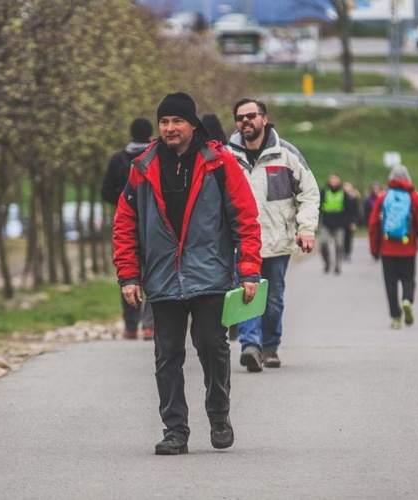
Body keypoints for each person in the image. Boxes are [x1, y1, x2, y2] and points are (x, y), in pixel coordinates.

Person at [113, 92, 262, 455]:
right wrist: (129, 275)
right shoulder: (142, 167)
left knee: (213, 347)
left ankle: (219, 414)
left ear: (192, 125)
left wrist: (249, 270)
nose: (169, 128)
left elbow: (245, 217)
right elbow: (125, 223)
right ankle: (175, 430)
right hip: (162, 278)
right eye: (164, 122)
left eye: (176, 121)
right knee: (167, 356)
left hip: (210, 275)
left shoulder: (220, 162)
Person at [228, 98, 320, 372]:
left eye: (251, 115)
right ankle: (251, 347)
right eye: (240, 117)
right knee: (247, 294)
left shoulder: (286, 154)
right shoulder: (227, 156)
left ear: (264, 119)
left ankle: (270, 347)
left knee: (274, 297)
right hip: (241, 243)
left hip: (277, 241)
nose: (246, 121)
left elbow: (309, 192)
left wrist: (305, 229)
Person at [101, 118, 155, 341]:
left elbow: (105, 192)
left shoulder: (118, 160)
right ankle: (150, 326)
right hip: (154, 225)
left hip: (127, 225)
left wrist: (124, 200)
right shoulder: (158, 157)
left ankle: (131, 326)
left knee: (129, 274)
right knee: (154, 274)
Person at [368, 165, 418, 329]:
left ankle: (396, 318)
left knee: (390, 283)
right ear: (408, 178)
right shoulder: (415, 198)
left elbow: (374, 224)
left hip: (387, 249)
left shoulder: (383, 197)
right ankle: (407, 300)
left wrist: (374, 249)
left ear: (391, 178)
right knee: (408, 279)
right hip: (408, 249)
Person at [319, 173, 357, 275]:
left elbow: (350, 209)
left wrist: (352, 222)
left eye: (336, 180)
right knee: (324, 244)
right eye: (332, 179)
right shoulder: (324, 192)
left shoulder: (343, 194)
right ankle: (327, 263)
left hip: (340, 224)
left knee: (339, 245)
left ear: (339, 181)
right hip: (326, 223)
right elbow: (318, 207)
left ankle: (337, 266)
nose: (333, 182)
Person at [342, 181, 362, 262]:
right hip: (342, 221)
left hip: (350, 221)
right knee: (342, 238)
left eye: (348, 186)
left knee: (349, 238)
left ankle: (348, 253)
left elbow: (356, 211)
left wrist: (354, 222)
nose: (347, 188)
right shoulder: (341, 197)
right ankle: (344, 252)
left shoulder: (354, 198)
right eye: (345, 186)